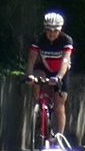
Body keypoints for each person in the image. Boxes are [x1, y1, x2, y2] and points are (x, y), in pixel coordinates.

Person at [27, 11, 77, 142]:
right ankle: (39, 110)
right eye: (48, 30)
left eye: (55, 30)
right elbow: (32, 58)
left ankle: (60, 136)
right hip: (44, 68)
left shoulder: (66, 40)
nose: (51, 33)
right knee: (36, 79)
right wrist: (30, 75)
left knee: (59, 105)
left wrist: (59, 77)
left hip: (61, 71)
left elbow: (65, 60)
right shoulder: (39, 39)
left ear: (60, 30)